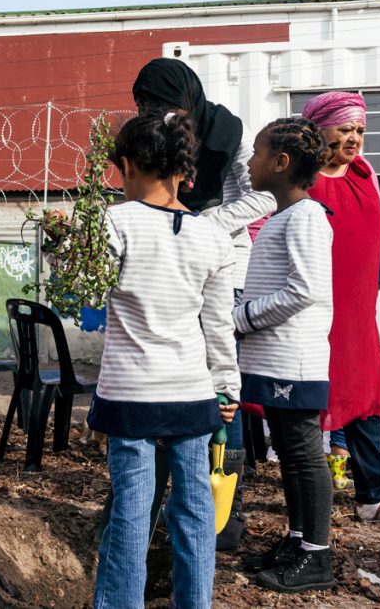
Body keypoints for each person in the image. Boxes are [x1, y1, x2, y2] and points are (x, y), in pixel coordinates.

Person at [87, 111, 240, 609]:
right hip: (192, 395)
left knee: (132, 512)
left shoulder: (114, 222)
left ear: (127, 166)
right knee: (194, 511)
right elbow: (219, 325)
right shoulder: (214, 237)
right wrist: (228, 388)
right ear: (181, 168)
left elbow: (88, 298)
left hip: (131, 395)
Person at [132, 58, 276, 549]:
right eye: (149, 106)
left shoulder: (229, 132)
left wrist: (207, 224)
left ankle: (227, 508)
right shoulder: (160, 134)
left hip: (223, 263)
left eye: (166, 104)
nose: (161, 114)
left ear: (188, 95)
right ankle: (160, 505)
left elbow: (264, 199)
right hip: (173, 259)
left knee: (223, 394)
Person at [303, 92, 380, 525]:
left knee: (368, 399)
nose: (354, 139)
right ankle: (304, 505)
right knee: (309, 403)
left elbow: (371, 234)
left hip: (358, 309)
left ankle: (374, 496)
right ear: (318, 128)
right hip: (313, 308)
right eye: (345, 129)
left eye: (360, 131)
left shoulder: (364, 172)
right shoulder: (300, 178)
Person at [234, 118, 335, 591]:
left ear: (281, 162)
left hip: (293, 360)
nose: (250, 162)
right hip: (275, 359)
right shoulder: (283, 216)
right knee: (290, 454)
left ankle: (317, 556)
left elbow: (305, 290)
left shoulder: (306, 217)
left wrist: (244, 316)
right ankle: (297, 540)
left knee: (303, 454)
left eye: (256, 153)